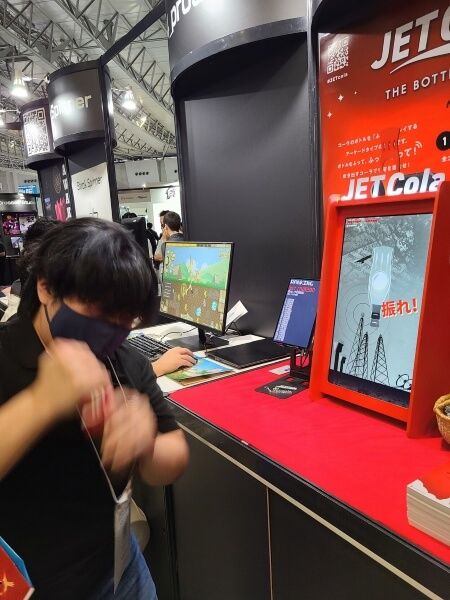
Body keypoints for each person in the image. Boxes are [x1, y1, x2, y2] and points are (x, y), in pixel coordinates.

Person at [0, 218, 189, 600]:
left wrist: (147, 441)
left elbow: (173, 456)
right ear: (46, 286)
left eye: (124, 319)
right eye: (98, 311)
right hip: (27, 587)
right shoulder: (5, 355)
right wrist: (40, 402)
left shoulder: (123, 360)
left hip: (121, 571)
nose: (111, 330)